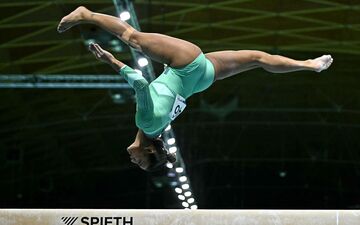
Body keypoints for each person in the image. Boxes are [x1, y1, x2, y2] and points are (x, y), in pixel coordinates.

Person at [57, 6, 333, 171]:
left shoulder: (157, 130)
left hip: (201, 80)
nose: (133, 160)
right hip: (185, 65)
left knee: (257, 59)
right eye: (140, 162)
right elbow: (140, 83)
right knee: (131, 37)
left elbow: (161, 93)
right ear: (149, 151)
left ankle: (309, 64)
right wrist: (112, 60)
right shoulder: (146, 123)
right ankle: (87, 14)